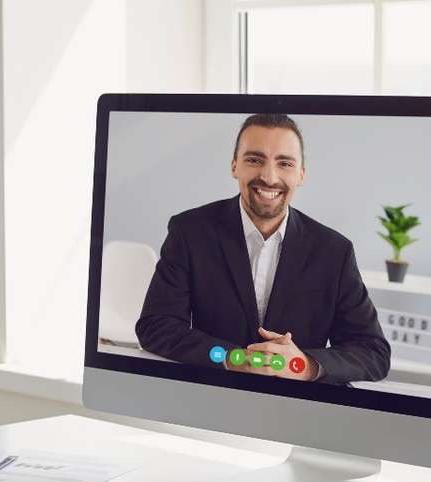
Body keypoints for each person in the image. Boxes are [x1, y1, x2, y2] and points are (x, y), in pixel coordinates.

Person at [135, 114, 389, 386]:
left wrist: (303, 365)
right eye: (254, 160)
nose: (269, 177)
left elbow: (373, 352)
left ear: (301, 174)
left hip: (300, 408)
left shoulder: (334, 251)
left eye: (285, 163)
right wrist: (231, 357)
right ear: (235, 166)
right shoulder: (189, 231)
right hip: (212, 397)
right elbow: (156, 326)